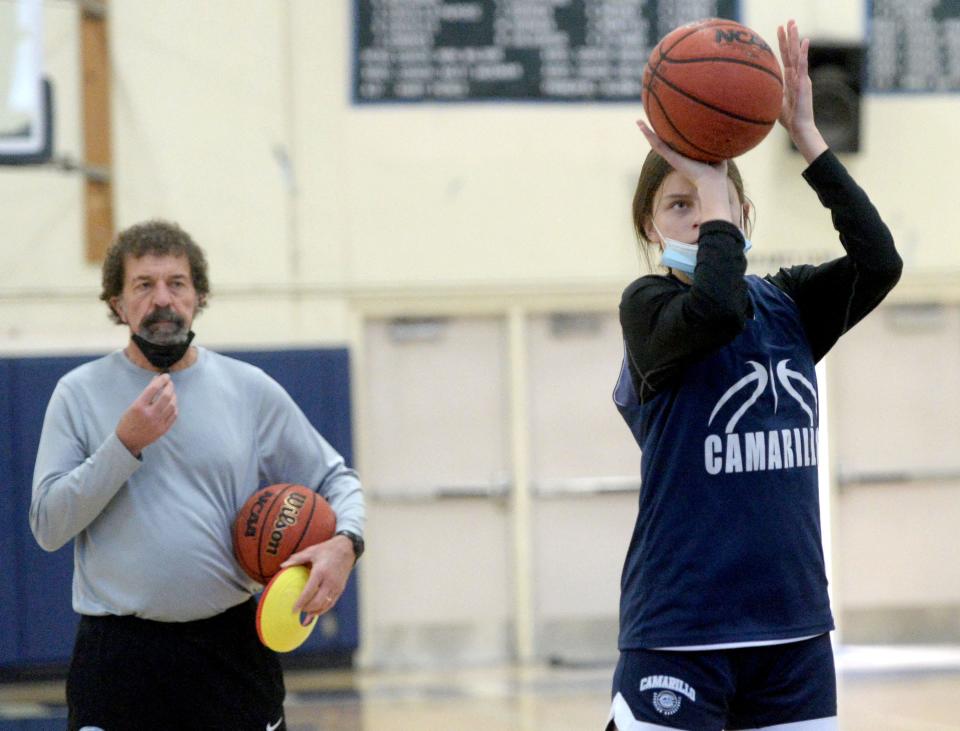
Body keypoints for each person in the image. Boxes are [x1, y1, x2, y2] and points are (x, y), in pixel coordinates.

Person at [607, 20, 902, 731]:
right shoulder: (649, 307)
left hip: (793, 632)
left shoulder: (790, 302)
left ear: (746, 209)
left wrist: (808, 139)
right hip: (681, 632)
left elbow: (879, 262)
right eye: (679, 205)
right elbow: (715, 308)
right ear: (650, 229)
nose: (701, 213)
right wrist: (713, 189)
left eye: (714, 199)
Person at [30, 220, 365, 731]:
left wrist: (345, 544)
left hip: (229, 647)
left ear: (199, 297)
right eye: (144, 285)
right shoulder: (77, 393)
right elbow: (48, 526)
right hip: (119, 657)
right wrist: (124, 445)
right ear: (118, 304)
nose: (162, 298)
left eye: (177, 283)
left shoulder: (249, 390)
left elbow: (337, 479)